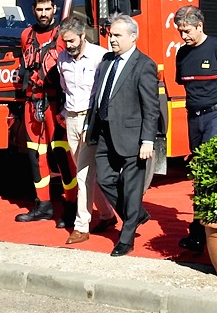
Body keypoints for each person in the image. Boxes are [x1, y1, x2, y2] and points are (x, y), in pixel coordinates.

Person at [173, 5, 217, 253]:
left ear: (200, 26)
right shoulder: (182, 54)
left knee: (212, 172)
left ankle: (208, 230)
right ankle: (202, 229)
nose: (183, 36)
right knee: (199, 173)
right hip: (194, 119)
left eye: (187, 31)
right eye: (180, 31)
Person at [84, 14, 158, 257]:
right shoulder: (107, 61)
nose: (111, 39)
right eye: (110, 34)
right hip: (105, 131)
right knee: (104, 178)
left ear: (133, 36)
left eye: (117, 35)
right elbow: (97, 97)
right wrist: (90, 125)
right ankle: (136, 214)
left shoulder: (144, 64)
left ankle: (126, 239)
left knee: (132, 187)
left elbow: (151, 106)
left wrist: (148, 139)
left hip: (133, 136)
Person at [15, 0, 79, 227]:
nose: (43, 14)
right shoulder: (26, 35)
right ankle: (43, 206)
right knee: (35, 155)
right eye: (39, 9)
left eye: (47, 9)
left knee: (62, 154)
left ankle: (71, 207)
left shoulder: (62, 35)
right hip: (33, 103)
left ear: (54, 9)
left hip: (56, 103)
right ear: (34, 10)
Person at [56, 16, 117, 245]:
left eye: (71, 41)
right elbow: (65, 88)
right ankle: (107, 214)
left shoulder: (100, 56)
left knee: (82, 174)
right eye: (65, 41)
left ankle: (81, 226)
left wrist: (95, 122)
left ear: (83, 36)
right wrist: (65, 115)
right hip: (71, 118)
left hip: (90, 119)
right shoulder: (62, 58)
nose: (68, 45)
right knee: (86, 172)